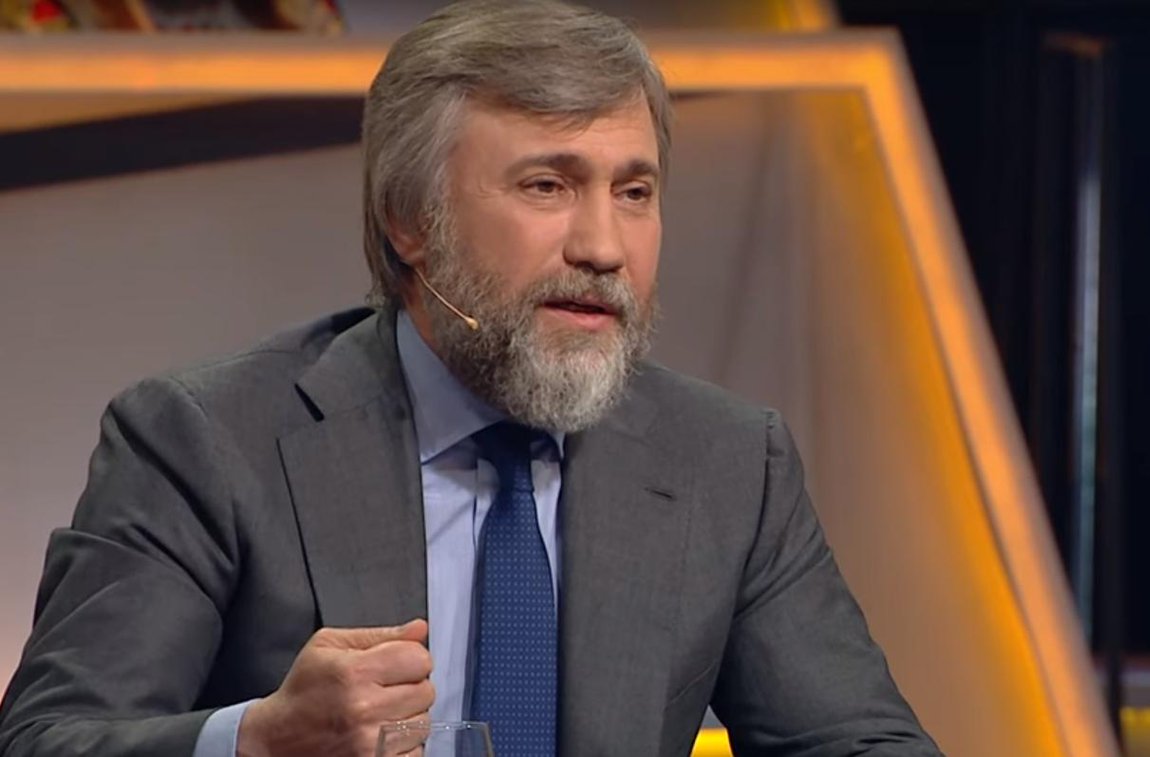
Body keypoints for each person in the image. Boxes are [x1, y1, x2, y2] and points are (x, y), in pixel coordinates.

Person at [0, 1, 943, 755]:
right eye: (547, 185)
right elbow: (48, 738)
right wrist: (255, 741)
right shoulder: (206, 440)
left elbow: (861, 741)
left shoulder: (727, 462)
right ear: (411, 219)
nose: (603, 246)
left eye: (634, 191)